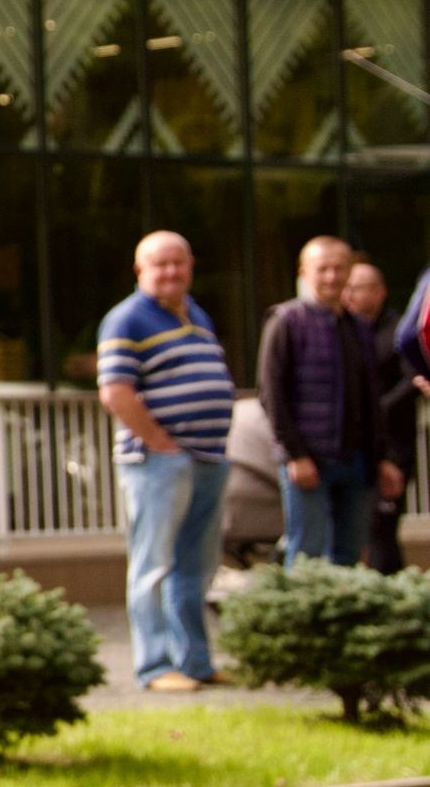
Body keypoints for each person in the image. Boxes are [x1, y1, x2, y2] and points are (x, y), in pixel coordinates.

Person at [97, 230, 237, 690]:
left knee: (197, 567)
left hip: (208, 457)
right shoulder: (128, 319)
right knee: (153, 565)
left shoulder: (196, 313)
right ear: (140, 270)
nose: (171, 272)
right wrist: (159, 441)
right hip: (158, 462)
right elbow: (116, 391)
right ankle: (155, 666)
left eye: (179, 262)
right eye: (161, 264)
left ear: (191, 265)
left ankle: (195, 661)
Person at [257, 237, 402, 567]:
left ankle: (343, 621)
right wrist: (296, 454)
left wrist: (381, 458)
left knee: (349, 556)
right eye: (323, 269)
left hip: (357, 461)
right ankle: (304, 621)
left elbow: (370, 402)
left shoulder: (359, 327)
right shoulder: (286, 322)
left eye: (340, 269)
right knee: (307, 552)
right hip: (310, 462)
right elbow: (272, 396)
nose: (332, 277)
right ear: (304, 272)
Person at [344, 260, 417, 573]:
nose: (350, 295)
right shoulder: (345, 330)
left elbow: (412, 380)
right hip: (357, 447)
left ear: (380, 292)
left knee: (381, 528)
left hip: (395, 445)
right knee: (364, 529)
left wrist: (373, 413)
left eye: (357, 288)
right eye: (349, 288)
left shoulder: (401, 332)